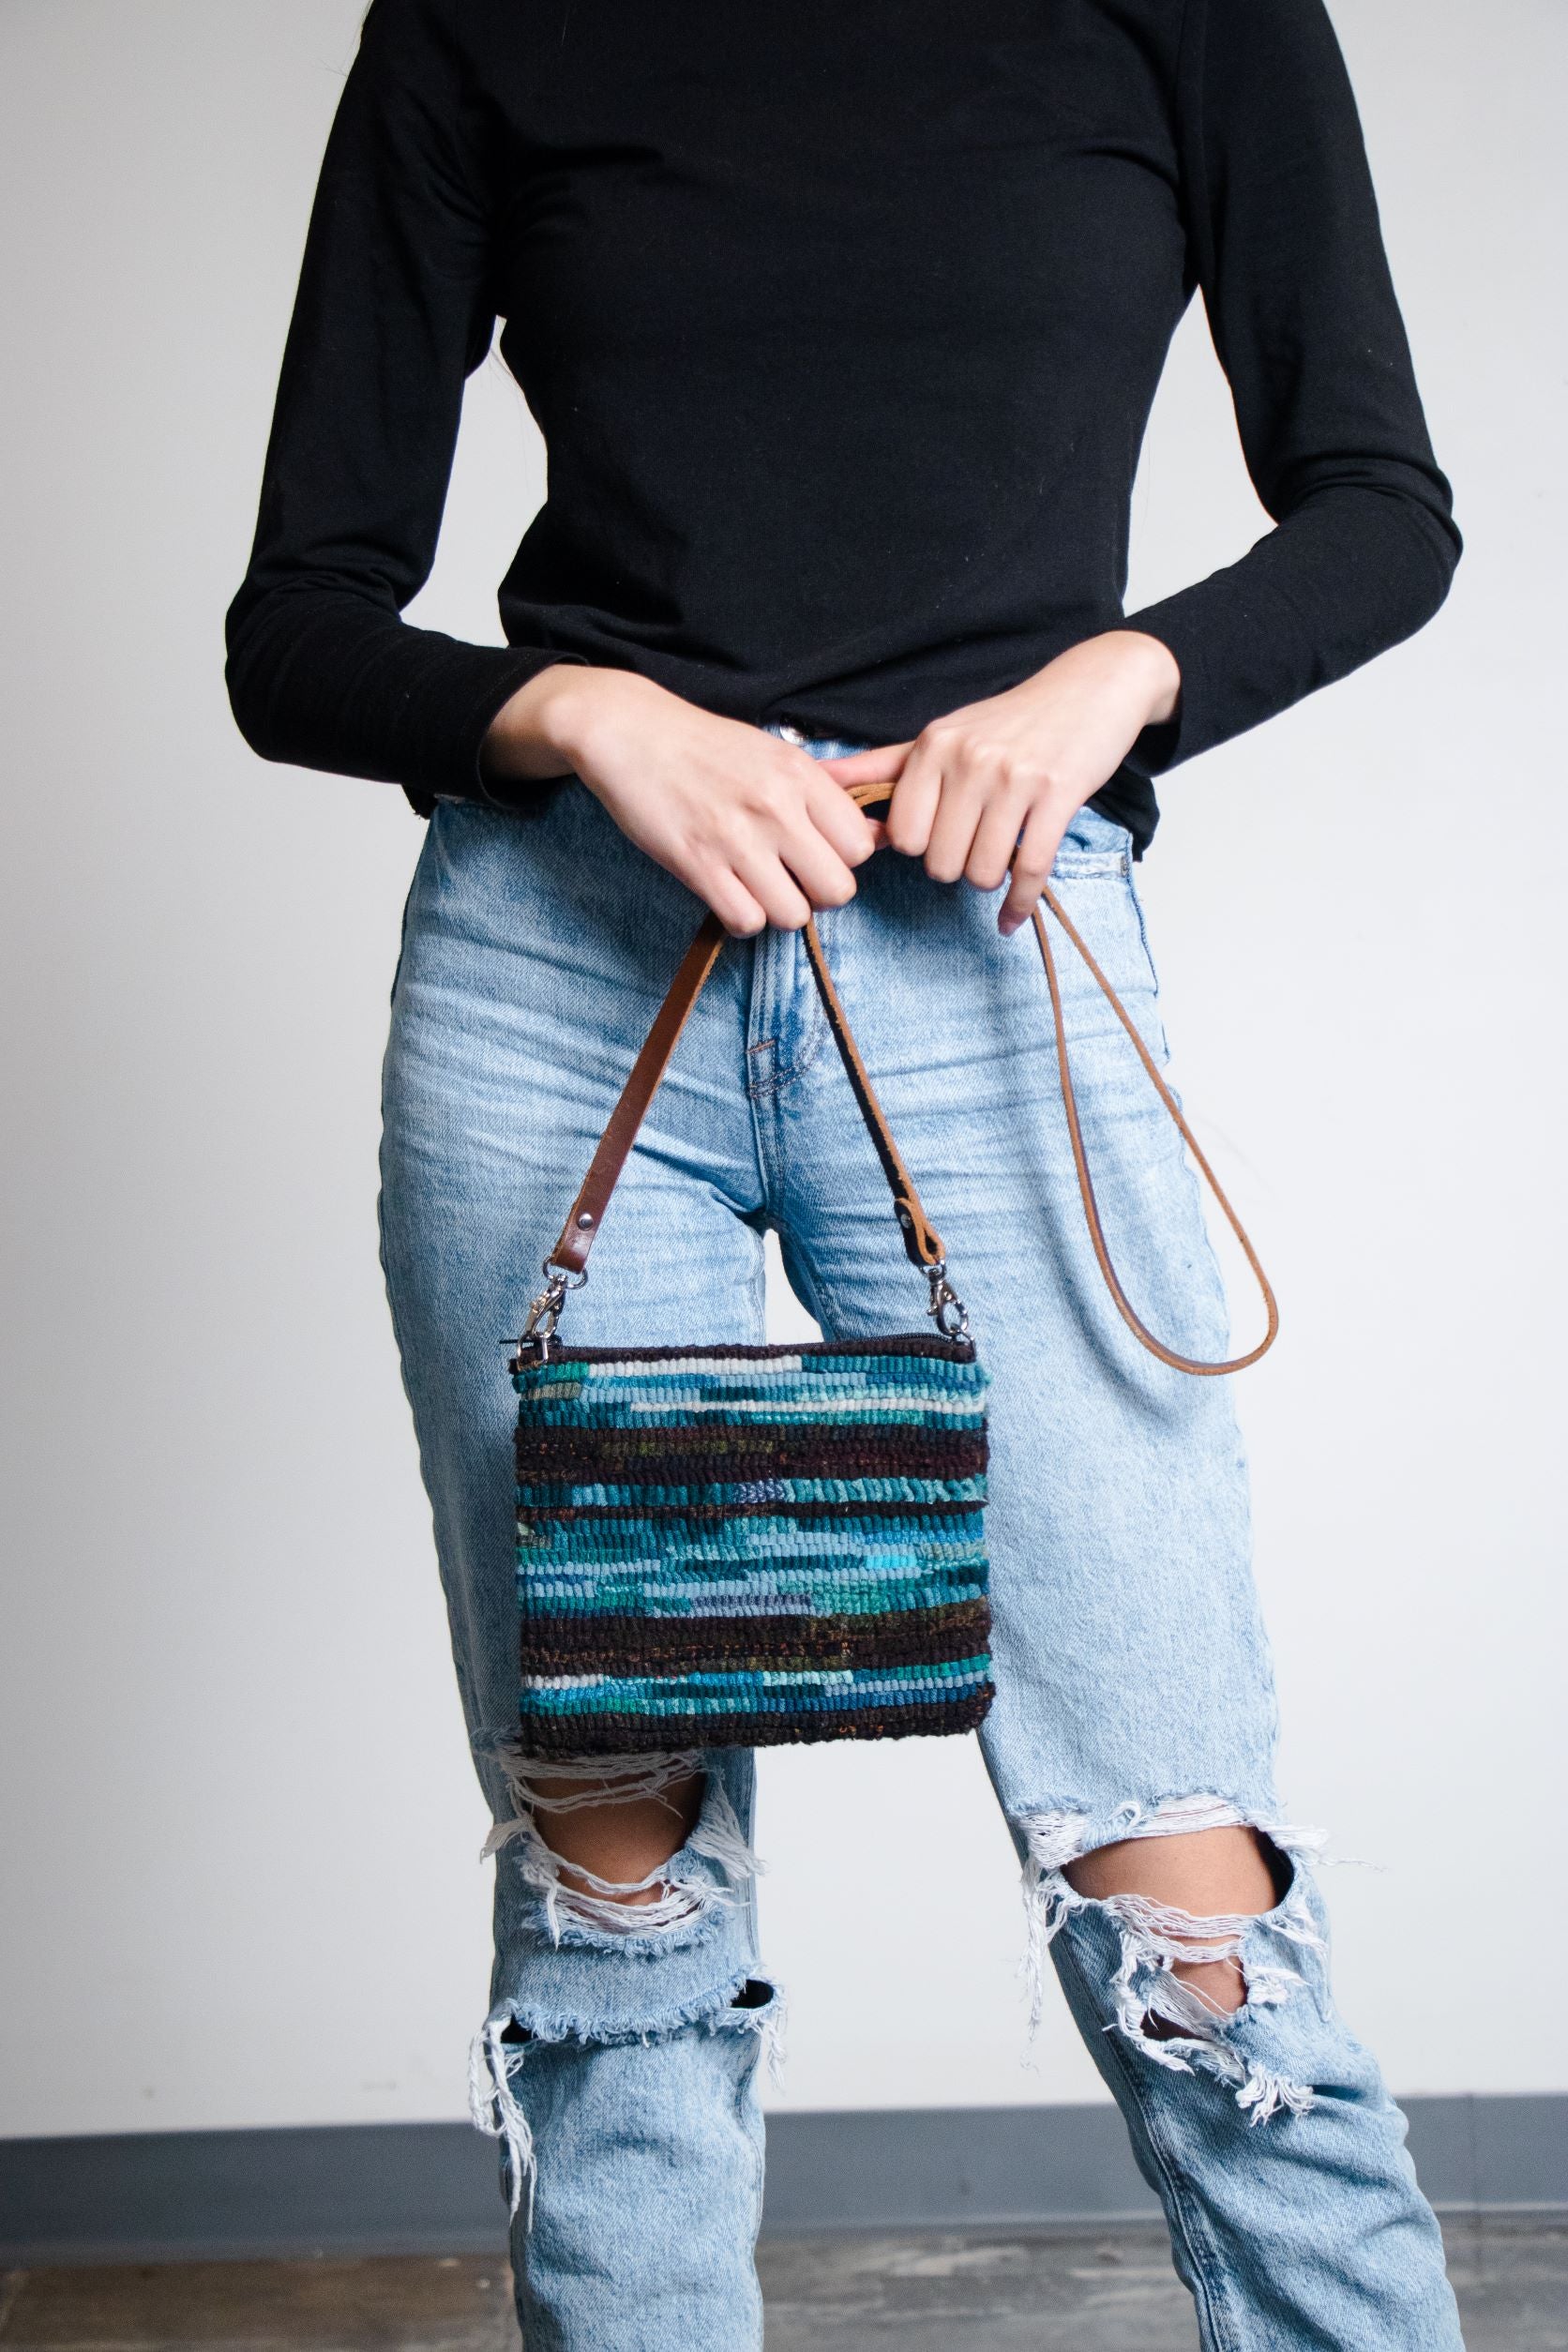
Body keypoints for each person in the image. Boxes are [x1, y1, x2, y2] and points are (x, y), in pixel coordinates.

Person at [225, 0, 1464, 2342]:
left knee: (1177, 1883)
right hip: (563, 973)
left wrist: (1114, 679)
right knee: (618, 1875)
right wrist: (578, 709)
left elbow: (1380, 510)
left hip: (992, 961)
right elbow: (292, 628)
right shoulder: (479, 22)